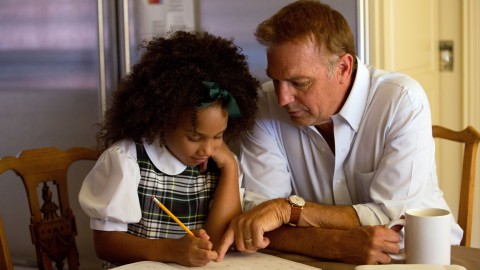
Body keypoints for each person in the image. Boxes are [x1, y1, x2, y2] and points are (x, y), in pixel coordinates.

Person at [216, 0, 463, 265]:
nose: (282, 98)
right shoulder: (264, 104)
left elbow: (393, 223)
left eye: (299, 83)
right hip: (317, 260)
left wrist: (289, 210)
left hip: (420, 259)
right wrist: (334, 244)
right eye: (275, 79)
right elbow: (257, 219)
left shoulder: (401, 101)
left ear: (343, 68)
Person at [78, 30, 259, 268]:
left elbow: (217, 243)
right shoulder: (127, 161)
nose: (207, 148)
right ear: (162, 121)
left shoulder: (220, 161)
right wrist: (171, 250)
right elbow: (106, 245)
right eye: (194, 137)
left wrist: (231, 169)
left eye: (218, 136)